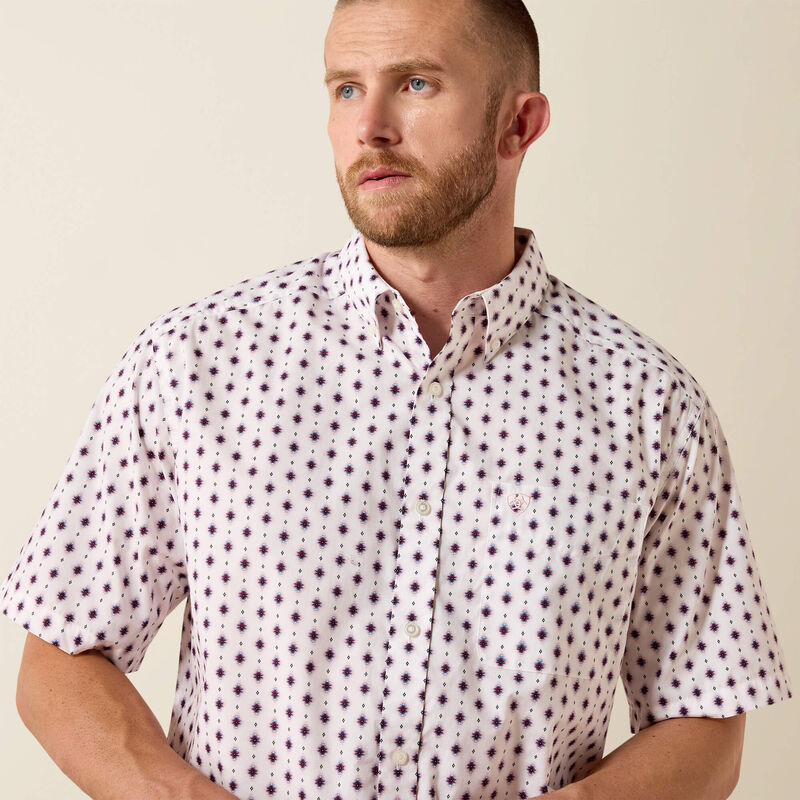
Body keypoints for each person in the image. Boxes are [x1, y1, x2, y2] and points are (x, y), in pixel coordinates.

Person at [1, 1, 792, 798]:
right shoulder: (194, 364)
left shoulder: (650, 407)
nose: (369, 127)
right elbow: (61, 656)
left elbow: (706, 719)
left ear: (518, 125)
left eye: (416, 84)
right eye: (346, 88)